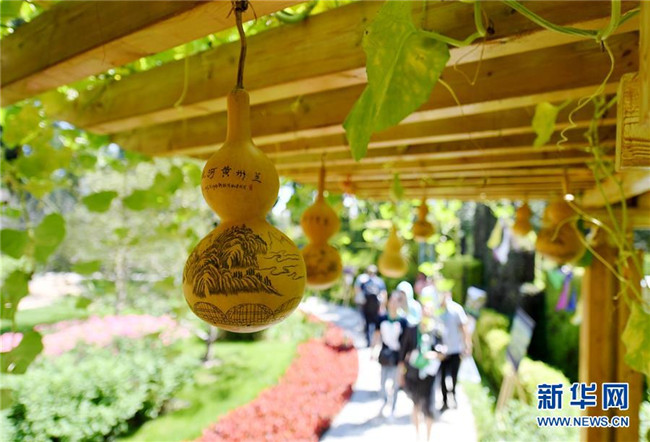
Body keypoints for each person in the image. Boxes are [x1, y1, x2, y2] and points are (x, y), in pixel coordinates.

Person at [401, 304, 445, 442]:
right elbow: (403, 351)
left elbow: (443, 353)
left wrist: (433, 355)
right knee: (416, 405)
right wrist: (401, 372)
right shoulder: (412, 330)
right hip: (414, 373)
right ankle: (417, 436)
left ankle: (428, 438)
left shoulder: (436, 332)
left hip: (429, 375)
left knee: (429, 407)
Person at [372, 291, 408, 420]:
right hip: (385, 355)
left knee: (395, 384)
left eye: (396, 301)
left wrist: (404, 359)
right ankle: (385, 402)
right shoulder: (382, 318)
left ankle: (393, 409)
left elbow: (405, 342)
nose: (393, 304)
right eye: (391, 301)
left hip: (397, 357)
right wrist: (373, 350)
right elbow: (376, 335)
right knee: (382, 383)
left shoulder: (403, 322)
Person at [437, 290, 472, 412]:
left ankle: (454, 396)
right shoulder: (438, 310)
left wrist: (467, 345)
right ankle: (444, 400)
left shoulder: (456, 309)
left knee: (453, 376)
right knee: (442, 377)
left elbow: (464, 328)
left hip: (455, 349)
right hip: (442, 350)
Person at [354, 265, 387, 347]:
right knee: (376, 324)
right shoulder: (379, 282)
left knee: (367, 324)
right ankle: (374, 342)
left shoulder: (364, 281)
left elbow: (358, 291)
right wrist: (382, 306)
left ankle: (369, 341)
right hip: (376, 307)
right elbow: (384, 294)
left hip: (366, 306)